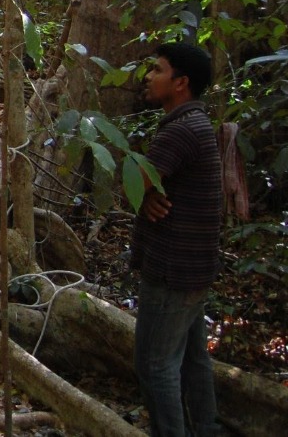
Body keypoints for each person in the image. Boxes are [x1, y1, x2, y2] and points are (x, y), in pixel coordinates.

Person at [131, 41, 222, 437]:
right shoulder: (197, 124)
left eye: (158, 70)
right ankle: (207, 428)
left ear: (181, 83)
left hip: (172, 270)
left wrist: (141, 196)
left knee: (156, 365)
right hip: (196, 268)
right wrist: (146, 198)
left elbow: (133, 187)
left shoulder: (179, 132)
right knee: (192, 359)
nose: (149, 77)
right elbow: (147, 191)